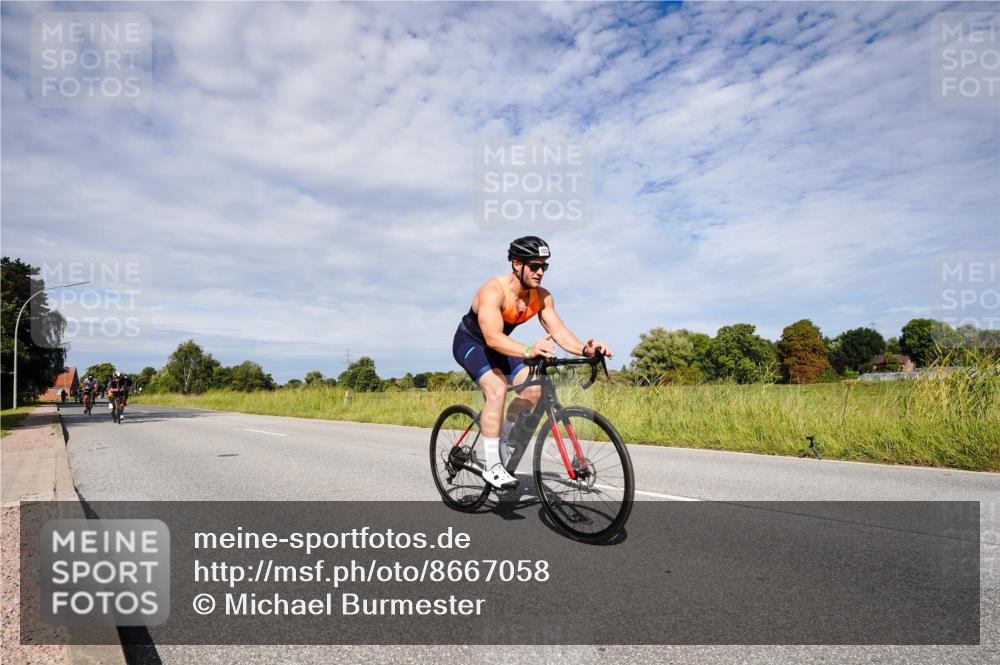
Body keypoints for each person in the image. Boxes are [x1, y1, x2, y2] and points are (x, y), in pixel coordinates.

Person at [452, 236, 614, 490]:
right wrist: (529, 349)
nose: (540, 272)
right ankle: (492, 466)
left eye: (544, 267)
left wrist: (586, 349)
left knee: (535, 387)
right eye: (535, 266)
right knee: (497, 389)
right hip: (471, 343)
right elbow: (493, 338)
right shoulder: (493, 291)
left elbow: (558, 331)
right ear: (517, 263)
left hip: (501, 344)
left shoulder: (541, 297)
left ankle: (502, 435)